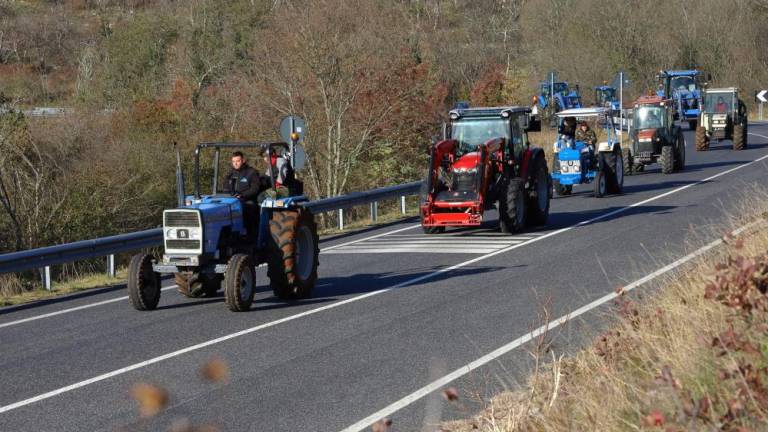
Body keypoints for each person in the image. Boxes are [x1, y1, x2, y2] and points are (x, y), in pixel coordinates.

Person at [224, 151, 262, 237]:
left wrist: (242, 195)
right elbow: (225, 188)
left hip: (247, 200)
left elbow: (255, 189)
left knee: (245, 209)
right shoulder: (230, 174)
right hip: (232, 201)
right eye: (233, 162)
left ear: (243, 160)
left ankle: (248, 235)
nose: (235, 164)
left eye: (238, 161)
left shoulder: (252, 172)